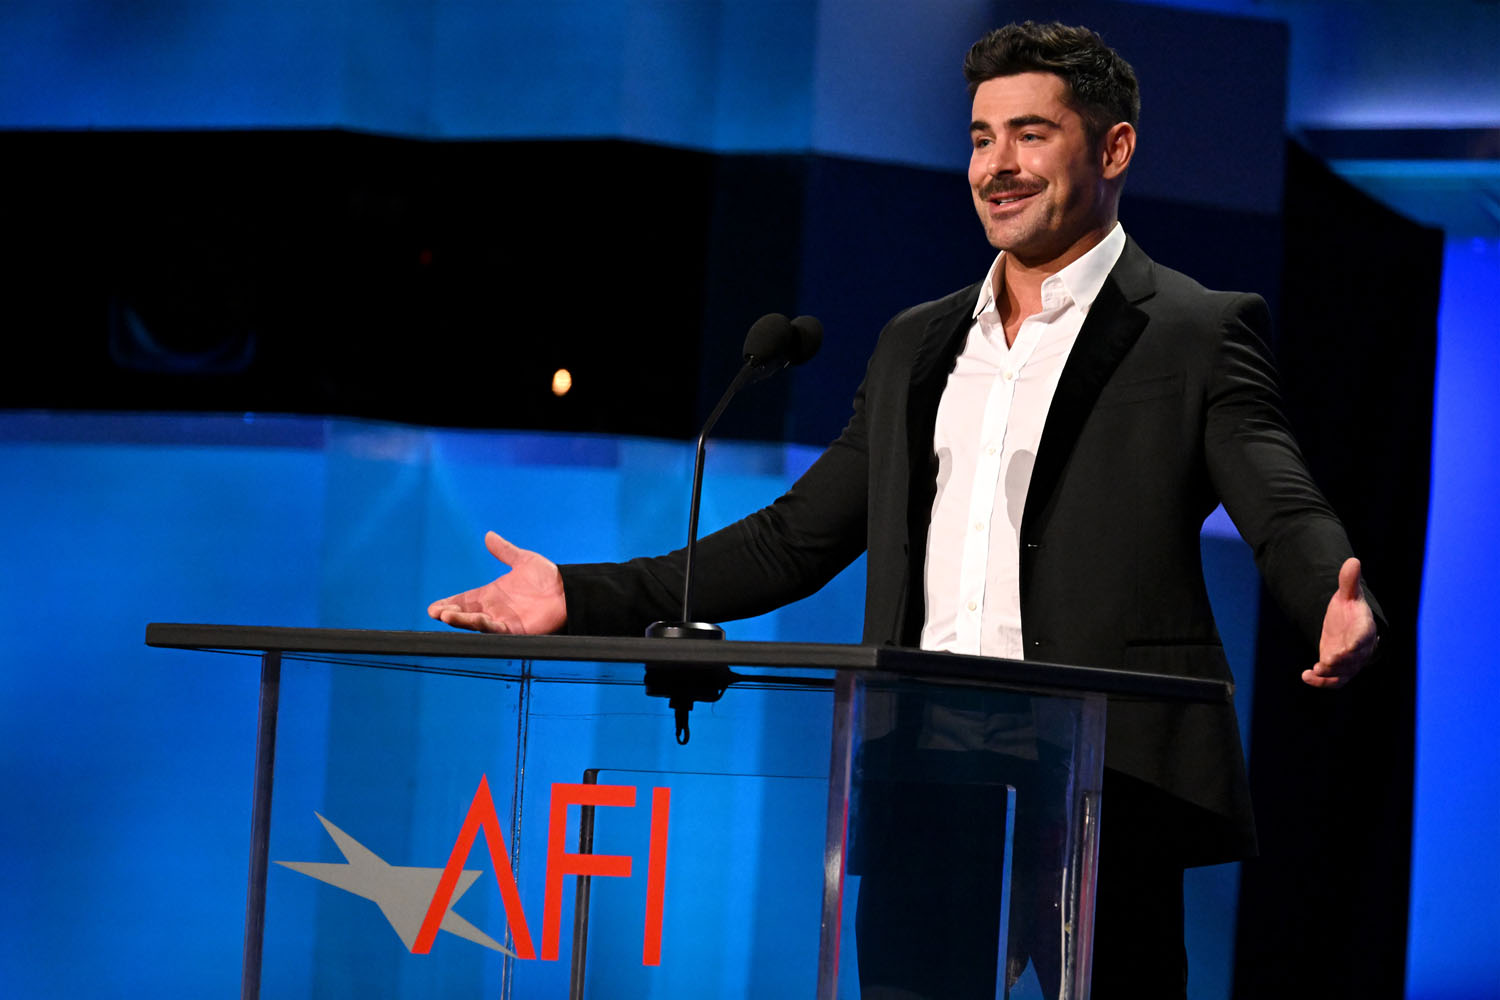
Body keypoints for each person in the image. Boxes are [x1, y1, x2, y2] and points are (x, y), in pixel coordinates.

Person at [429, 21, 1381, 998]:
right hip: (925, 772)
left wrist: (1328, 594)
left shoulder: (1193, 330)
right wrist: (579, 595)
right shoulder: (916, 344)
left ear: (1114, 149)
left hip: (1106, 784)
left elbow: (1280, 501)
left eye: (1030, 134)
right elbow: (794, 540)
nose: (997, 166)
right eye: (980, 138)